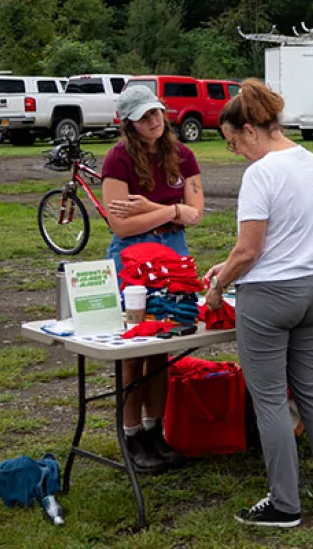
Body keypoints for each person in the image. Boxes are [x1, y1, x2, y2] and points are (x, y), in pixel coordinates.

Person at [203, 79, 313, 527]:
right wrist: (224, 267)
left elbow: (250, 250)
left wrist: (217, 284)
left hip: (270, 297)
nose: (236, 153)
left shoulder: (261, 174)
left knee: (268, 400)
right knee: (310, 387)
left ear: (250, 130)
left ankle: (284, 504)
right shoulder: (311, 160)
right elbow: (281, 236)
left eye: (233, 144)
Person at [100, 85, 205, 474]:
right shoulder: (118, 159)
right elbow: (120, 224)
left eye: (157, 112)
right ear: (129, 122)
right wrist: (168, 211)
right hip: (133, 254)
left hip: (172, 251)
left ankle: (154, 430)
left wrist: (152, 208)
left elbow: (196, 214)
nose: (155, 120)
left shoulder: (182, 154)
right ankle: (131, 436)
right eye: (145, 116)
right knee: (134, 347)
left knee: (162, 345)